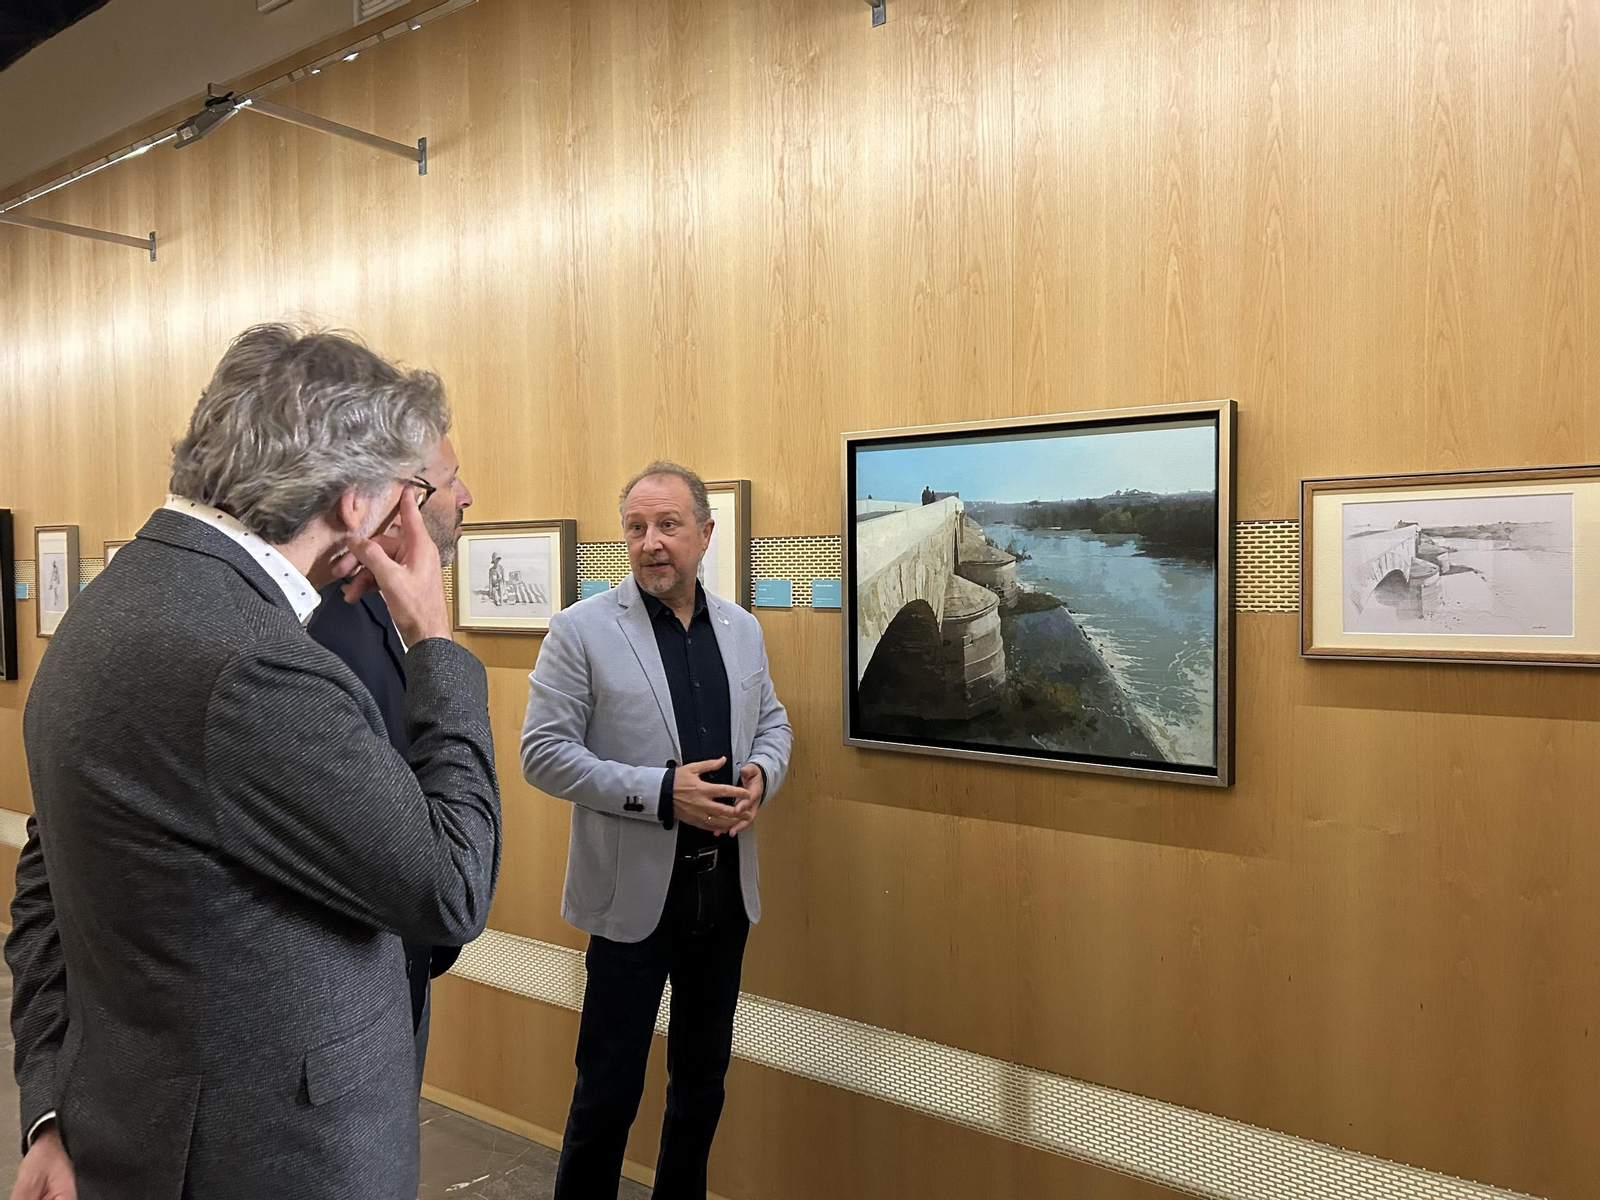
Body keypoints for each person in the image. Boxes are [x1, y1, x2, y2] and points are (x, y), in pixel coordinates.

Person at [6, 325, 503, 1200]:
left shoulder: (116, 601)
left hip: (134, 1129)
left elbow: (46, 884)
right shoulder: (254, 664)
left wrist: (49, 1104)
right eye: (407, 487)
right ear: (355, 500)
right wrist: (435, 638)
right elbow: (452, 888)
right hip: (273, 1156)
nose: (411, 512)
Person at [522, 461, 792, 1200]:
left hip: (724, 899)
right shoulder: (579, 631)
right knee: (606, 1097)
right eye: (637, 527)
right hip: (631, 907)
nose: (650, 543)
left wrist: (764, 772)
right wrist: (662, 793)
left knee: (701, 1086)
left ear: (705, 534)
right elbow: (542, 755)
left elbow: (772, 721)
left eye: (668, 525)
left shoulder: (741, 629)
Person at [305, 433, 474, 1093]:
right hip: (347, 995)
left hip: (401, 955)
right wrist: (438, 642)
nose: (466, 497)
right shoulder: (316, 623)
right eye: (450, 481)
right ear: (402, 496)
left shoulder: (378, 598)